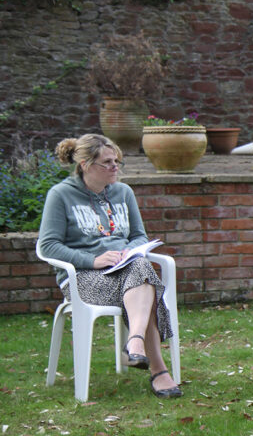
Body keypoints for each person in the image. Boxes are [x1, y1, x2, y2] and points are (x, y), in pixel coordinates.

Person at [37, 134, 182, 398]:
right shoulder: (60, 195)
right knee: (146, 285)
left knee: (140, 268)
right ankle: (158, 369)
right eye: (107, 162)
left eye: (116, 161)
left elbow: (139, 234)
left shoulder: (123, 192)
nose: (115, 167)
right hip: (83, 278)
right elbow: (48, 246)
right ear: (84, 164)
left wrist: (130, 250)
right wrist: (92, 260)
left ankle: (135, 342)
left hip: (125, 270)